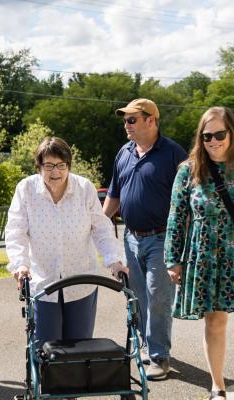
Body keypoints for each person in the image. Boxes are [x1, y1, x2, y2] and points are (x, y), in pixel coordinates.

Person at [5, 136, 126, 349]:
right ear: (38, 166)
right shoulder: (26, 189)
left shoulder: (84, 188)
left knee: (79, 348)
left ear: (68, 165)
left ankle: (76, 383)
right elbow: (16, 231)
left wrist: (114, 261)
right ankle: (47, 383)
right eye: (49, 165)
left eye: (61, 165)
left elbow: (101, 229)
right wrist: (20, 264)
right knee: (46, 348)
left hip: (81, 281)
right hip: (43, 282)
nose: (56, 172)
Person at [103, 98, 187, 381]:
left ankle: (160, 357)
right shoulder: (124, 152)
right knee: (138, 295)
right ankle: (146, 346)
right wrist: (98, 226)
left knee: (158, 296)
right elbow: (114, 195)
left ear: (151, 120)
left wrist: (182, 247)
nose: (126, 125)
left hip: (162, 239)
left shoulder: (173, 153)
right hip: (131, 237)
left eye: (132, 120)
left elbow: (186, 201)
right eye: (125, 120)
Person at [165, 107, 234, 400]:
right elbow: (176, 217)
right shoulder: (188, 170)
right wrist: (173, 259)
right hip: (205, 256)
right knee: (215, 322)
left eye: (220, 134)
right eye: (207, 136)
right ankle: (218, 386)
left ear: (231, 133)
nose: (213, 141)